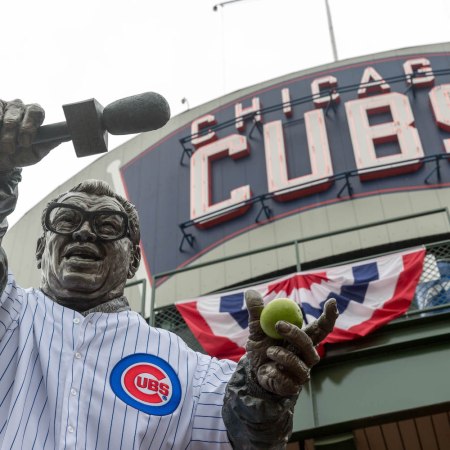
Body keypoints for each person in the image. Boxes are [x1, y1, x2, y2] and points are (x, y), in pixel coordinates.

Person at [0, 99, 338, 449]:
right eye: (67, 220)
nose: (85, 233)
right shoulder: (9, 315)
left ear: (132, 262)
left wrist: (259, 395)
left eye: (108, 225)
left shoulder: (190, 371)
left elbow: (244, 438)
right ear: (41, 250)